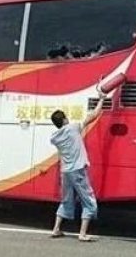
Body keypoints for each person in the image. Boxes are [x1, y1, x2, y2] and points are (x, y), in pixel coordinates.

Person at [49, 92, 107, 242]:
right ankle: (82, 234)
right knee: (88, 200)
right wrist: (101, 99)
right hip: (78, 170)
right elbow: (93, 115)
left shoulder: (55, 138)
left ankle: (56, 229)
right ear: (65, 119)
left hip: (65, 171)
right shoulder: (73, 128)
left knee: (66, 200)